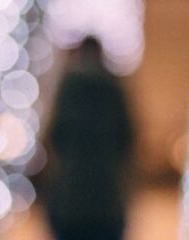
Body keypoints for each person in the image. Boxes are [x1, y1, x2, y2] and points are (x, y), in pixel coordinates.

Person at [41, 37, 134, 240]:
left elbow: (55, 136)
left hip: (71, 199)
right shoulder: (113, 88)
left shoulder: (68, 88)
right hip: (107, 199)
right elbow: (127, 137)